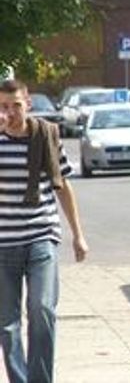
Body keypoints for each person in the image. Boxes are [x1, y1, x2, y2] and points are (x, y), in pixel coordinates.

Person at [0, 78, 87, 383]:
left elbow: (62, 186)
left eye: (15, 106)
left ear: (29, 104)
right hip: (3, 243)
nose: (10, 113)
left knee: (42, 309)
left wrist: (78, 234)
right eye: (3, 107)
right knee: (7, 323)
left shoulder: (46, 136)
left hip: (41, 236)